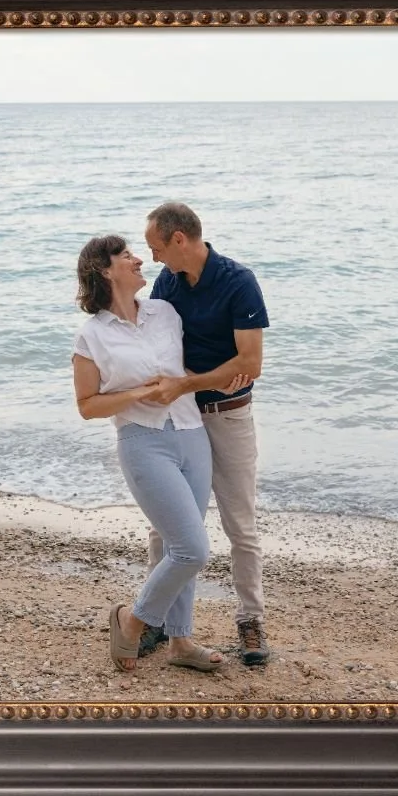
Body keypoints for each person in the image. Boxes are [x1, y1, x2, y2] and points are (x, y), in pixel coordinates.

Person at [71, 234, 234, 673]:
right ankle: (133, 619)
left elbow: (198, 354)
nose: (139, 259)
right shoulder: (92, 335)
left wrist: (230, 376)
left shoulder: (166, 312)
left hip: (191, 434)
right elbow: (87, 406)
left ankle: (181, 643)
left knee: (177, 546)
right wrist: (142, 392)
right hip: (143, 442)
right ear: (105, 270)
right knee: (192, 549)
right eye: (127, 256)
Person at [138, 202, 271, 666]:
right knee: (167, 525)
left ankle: (250, 619)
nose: (154, 258)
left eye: (157, 247)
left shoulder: (239, 281)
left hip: (230, 416)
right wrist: (201, 377)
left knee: (241, 526)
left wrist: (189, 380)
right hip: (182, 419)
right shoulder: (167, 283)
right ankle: (154, 620)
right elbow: (153, 343)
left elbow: (249, 364)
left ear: (180, 239)